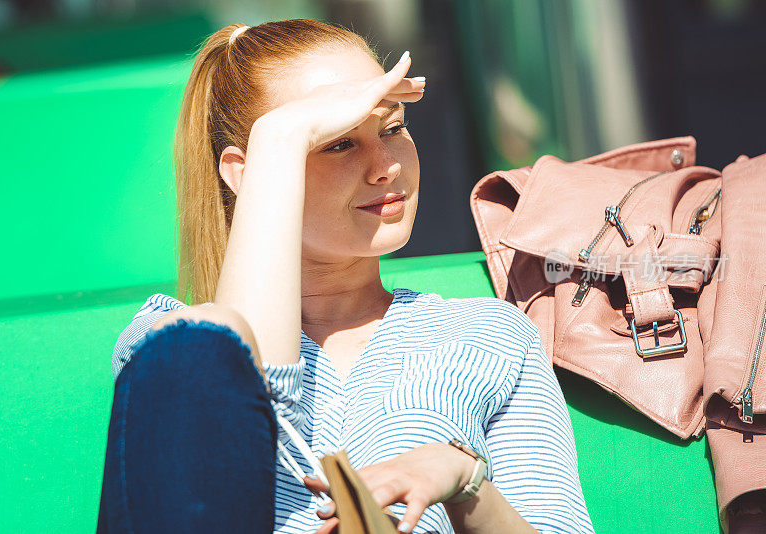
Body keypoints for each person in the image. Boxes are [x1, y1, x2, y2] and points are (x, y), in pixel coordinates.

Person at [96, 18, 595, 534]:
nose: (386, 166)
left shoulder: (489, 335)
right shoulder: (165, 342)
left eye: (393, 127)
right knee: (201, 346)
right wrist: (280, 135)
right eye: (337, 141)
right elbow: (242, 396)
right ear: (250, 171)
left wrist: (465, 482)